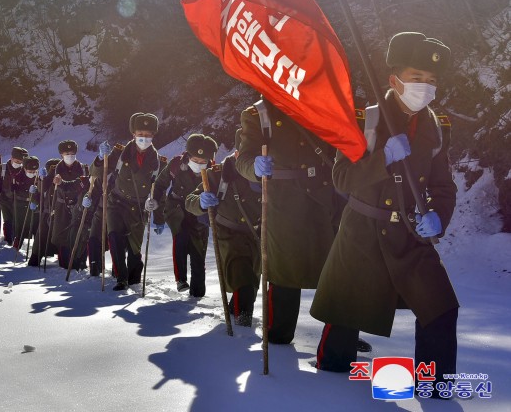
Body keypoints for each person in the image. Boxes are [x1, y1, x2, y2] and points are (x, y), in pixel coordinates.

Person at [312, 33, 458, 386]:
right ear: (394, 80)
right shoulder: (366, 119)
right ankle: (323, 397)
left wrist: (437, 216)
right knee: (341, 334)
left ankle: (436, 388)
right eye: (416, 78)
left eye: (432, 81)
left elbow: (443, 186)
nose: (425, 87)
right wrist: (383, 159)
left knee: (440, 307)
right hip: (362, 234)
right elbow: (342, 178)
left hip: (409, 236)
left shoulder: (436, 127)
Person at [235, 99, 344, 345]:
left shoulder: (325, 100)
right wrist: (254, 166)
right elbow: (243, 159)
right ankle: (278, 337)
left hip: (325, 198)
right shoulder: (259, 113)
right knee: (284, 272)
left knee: (338, 271)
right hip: (282, 201)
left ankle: (342, 333)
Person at [187, 143, 263, 324]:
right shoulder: (220, 174)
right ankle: (241, 322)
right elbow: (190, 201)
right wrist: (201, 202)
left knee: (251, 282)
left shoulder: (268, 172)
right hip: (228, 235)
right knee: (241, 274)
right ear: (237, 153)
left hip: (257, 236)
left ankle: (233, 312)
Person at [88, 112, 163, 291]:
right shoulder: (120, 153)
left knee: (135, 247)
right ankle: (121, 278)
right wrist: (100, 158)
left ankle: (132, 277)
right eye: (140, 134)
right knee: (115, 237)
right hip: (116, 202)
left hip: (138, 207)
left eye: (147, 135)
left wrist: (156, 207)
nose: (143, 138)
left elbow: (158, 189)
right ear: (133, 134)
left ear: (153, 136)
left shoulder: (157, 161)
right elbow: (96, 172)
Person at [154, 133, 217, 298]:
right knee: (181, 238)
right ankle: (181, 279)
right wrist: (155, 203)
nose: (198, 164)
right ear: (188, 155)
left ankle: (197, 293)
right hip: (177, 209)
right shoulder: (176, 165)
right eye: (195, 160)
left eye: (202, 161)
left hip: (199, 214)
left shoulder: (213, 171)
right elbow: (160, 184)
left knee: (198, 252)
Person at [48, 140, 90, 269]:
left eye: (72, 153)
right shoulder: (55, 170)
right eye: (67, 153)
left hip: (79, 204)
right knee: (62, 234)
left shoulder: (84, 168)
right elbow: (47, 189)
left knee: (81, 232)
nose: (70, 155)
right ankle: (65, 262)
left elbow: (88, 186)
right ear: (61, 154)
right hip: (61, 206)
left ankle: (81, 261)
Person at [0, 146, 29, 243]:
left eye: (20, 162)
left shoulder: (24, 170)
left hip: (19, 201)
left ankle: (15, 241)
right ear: (12, 158)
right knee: (8, 221)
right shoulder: (3, 168)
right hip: (5, 200)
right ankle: (8, 241)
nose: (18, 164)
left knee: (17, 222)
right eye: (16, 161)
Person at [28, 158, 60, 267]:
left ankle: (63, 258)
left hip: (60, 215)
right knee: (41, 238)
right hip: (45, 214)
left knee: (60, 238)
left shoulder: (62, 182)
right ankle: (35, 259)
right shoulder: (43, 181)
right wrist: (32, 195)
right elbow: (38, 197)